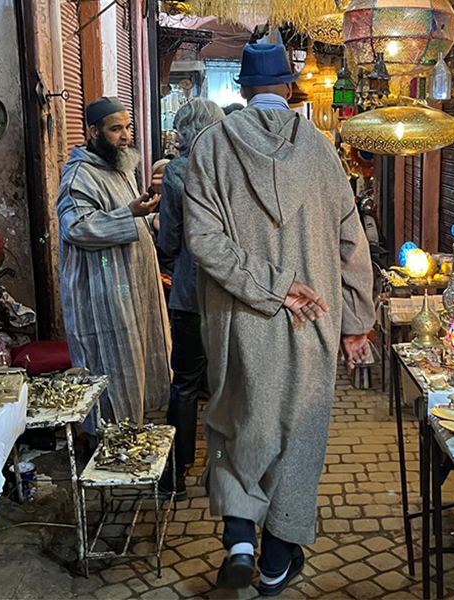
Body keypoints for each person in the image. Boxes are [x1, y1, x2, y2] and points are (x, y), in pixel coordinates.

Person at [183, 44, 375, 596]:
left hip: (237, 320)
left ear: (243, 89)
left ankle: (240, 540)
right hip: (314, 318)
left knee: (236, 424)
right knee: (298, 434)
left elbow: (203, 240)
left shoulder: (210, 146)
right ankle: (273, 563)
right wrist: (356, 323)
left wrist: (268, 284)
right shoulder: (321, 151)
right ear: (289, 89)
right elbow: (351, 243)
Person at [57, 97, 171, 425]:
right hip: (102, 292)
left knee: (134, 364)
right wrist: (130, 214)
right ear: (93, 131)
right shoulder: (79, 176)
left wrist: (147, 218)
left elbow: (125, 215)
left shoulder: (118, 167)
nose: (125, 136)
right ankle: (106, 441)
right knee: (110, 370)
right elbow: (75, 227)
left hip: (128, 287)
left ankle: (133, 431)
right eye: (115, 129)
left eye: (127, 127)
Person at [157, 98, 225, 499]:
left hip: (188, 292)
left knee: (184, 384)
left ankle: (176, 474)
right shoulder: (233, 166)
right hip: (231, 294)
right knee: (226, 385)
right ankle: (222, 471)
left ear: (184, 131)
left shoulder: (177, 171)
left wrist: (172, 255)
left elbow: (169, 238)